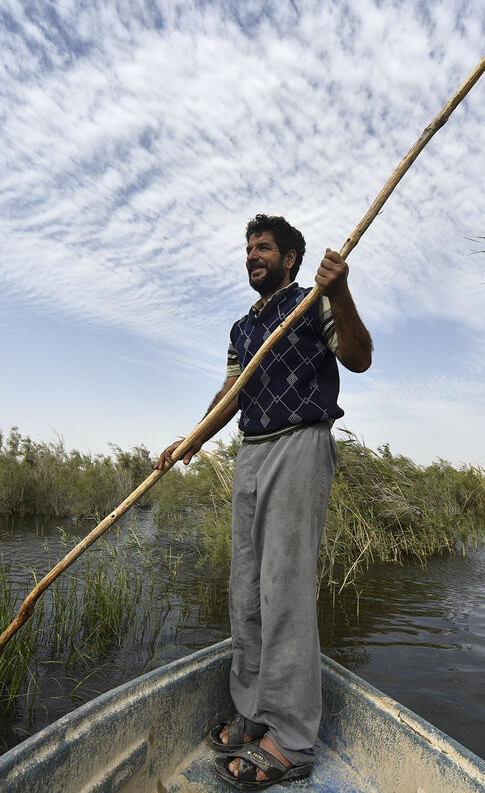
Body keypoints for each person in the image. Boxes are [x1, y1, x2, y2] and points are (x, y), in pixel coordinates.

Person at [157, 213, 372, 788]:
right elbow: (231, 393)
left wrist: (341, 290)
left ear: (291, 259)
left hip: (299, 444)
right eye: (249, 248)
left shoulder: (312, 302)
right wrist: (193, 437)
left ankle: (295, 740)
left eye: (264, 248)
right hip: (250, 451)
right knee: (247, 589)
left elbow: (358, 358)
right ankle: (254, 713)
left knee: (285, 590)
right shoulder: (243, 328)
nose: (253, 255)